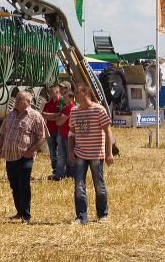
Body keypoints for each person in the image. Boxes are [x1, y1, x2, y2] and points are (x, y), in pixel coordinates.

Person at [0, 91, 50, 223]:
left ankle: (26, 215)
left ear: (28, 102)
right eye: (16, 99)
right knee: (14, 185)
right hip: (10, 156)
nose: (17, 101)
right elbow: (3, 134)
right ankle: (19, 212)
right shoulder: (10, 115)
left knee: (24, 185)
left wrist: (32, 150)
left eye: (20, 99)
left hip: (25, 156)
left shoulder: (35, 116)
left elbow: (43, 136)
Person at [69, 84, 114, 225]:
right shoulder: (74, 111)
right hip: (80, 154)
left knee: (99, 185)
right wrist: (70, 150)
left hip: (96, 154)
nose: (74, 95)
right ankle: (81, 217)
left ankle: (102, 215)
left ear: (85, 94)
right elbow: (71, 133)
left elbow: (108, 131)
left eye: (77, 92)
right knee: (79, 186)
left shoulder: (98, 109)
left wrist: (109, 153)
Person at [42, 84, 61, 180]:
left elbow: (60, 116)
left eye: (51, 92)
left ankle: (61, 172)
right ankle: (55, 172)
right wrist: (55, 116)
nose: (50, 94)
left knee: (61, 153)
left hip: (59, 131)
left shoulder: (61, 103)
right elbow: (44, 115)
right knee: (53, 153)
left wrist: (50, 116)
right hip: (50, 131)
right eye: (50, 92)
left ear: (57, 92)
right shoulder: (47, 104)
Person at [56, 91, 76, 179]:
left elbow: (59, 122)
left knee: (68, 156)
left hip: (69, 136)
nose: (64, 99)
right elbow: (58, 122)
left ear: (71, 99)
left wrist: (61, 120)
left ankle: (67, 175)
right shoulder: (65, 108)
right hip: (63, 134)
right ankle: (64, 175)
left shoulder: (72, 108)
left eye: (66, 98)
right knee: (63, 155)